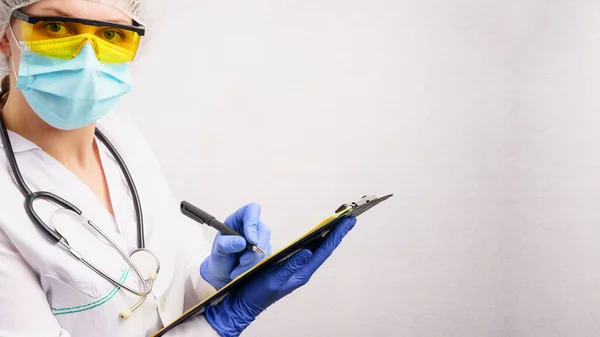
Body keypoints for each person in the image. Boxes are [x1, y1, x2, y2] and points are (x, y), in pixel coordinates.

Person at [0, 0, 357, 336]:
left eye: (111, 35)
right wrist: (220, 323)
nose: (87, 59)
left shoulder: (121, 135)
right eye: (58, 27)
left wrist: (213, 275)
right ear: (6, 36)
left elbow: (162, 290)